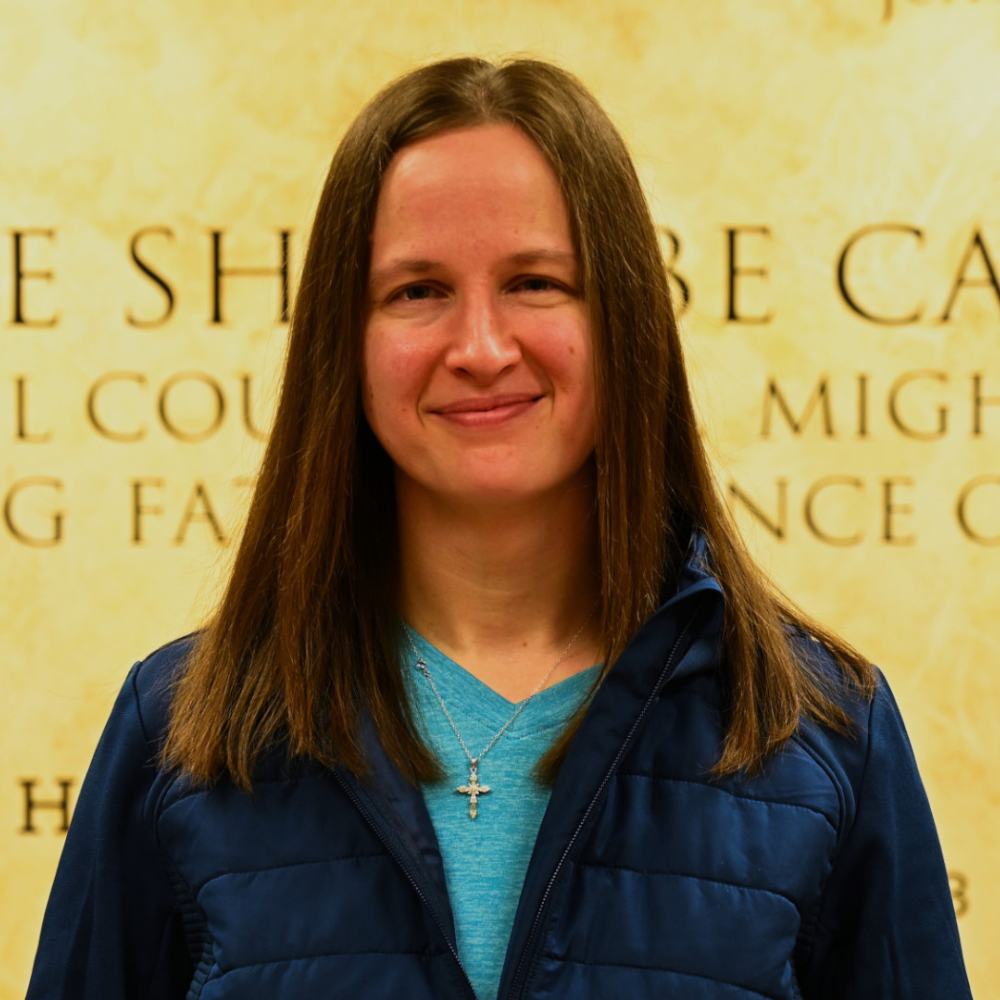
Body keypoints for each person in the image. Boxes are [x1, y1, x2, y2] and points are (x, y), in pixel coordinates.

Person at [27, 57, 971, 1000]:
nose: (480, 348)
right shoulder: (181, 735)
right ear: (341, 343)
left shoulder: (824, 734)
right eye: (416, 291)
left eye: (536, 282)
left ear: (626, 319)